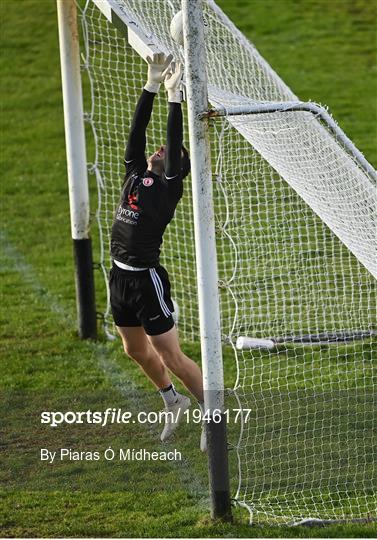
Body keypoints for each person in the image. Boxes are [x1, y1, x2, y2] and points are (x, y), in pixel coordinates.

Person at [109, 53, 206, 450]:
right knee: (134, 349)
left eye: (171, 153)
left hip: (146, 279)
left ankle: (211, 416)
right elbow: (136, 133)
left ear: (177, 170)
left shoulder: (167, 190)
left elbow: (174, 138)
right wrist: (150, 85)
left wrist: (174, 97)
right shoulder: (135, 172)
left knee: (172, 356)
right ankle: (172, 400)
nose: (162, 149)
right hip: (118, 276)